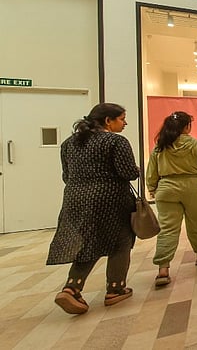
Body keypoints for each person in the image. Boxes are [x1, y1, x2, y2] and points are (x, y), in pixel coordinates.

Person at [47, 103, 141, 315]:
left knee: (87, 242)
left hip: (75, 199)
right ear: (108, 120)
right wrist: (136, 170)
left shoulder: (69, 143)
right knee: (121, 241)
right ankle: (116, 288)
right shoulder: (115, 141)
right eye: (122, 119)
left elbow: (66, 176)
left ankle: (72, 287)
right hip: (110, 199)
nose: (125, 123)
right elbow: (127, 173)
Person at [147, 111, 197, 288]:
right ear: (187, 127)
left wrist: (152, 188)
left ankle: (163, 269)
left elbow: (152, 171)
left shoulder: (160, 146)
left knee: (167, 229)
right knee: (195, 224)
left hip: (166, 188)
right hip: (193, 188)